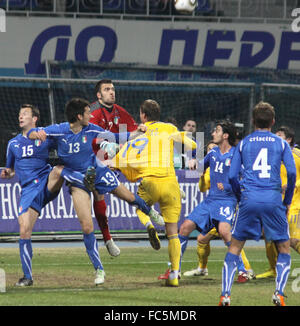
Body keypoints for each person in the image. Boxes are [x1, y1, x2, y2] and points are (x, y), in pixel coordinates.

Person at [28, 98, 164, 285]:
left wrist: (136, 133)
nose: (90, 115)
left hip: (98, 172)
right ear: (78, 116)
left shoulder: (92, 129)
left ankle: (151, 212)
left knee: (130, 197)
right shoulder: (59, 131)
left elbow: (117, 137)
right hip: (78, 180)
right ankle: (99, 269)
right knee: (87, 227)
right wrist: (37, 134)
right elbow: (31, 133)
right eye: (87, 112)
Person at [111, 99, 197, 287]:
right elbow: (192, 145)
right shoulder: (169, 128)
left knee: (140, 208)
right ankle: (174, 274)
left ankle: (149, 224)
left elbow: (124, 154)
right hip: (170, 183)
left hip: (149, 181)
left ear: (143, 115)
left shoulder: (139, 132)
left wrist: (112, 163)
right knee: (173, 233)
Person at [220, 102, 296, 306]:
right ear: (273, 121)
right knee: (284, 247)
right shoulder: (281, 144)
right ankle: (279, 293)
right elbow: (291, 173)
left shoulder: (244, 143)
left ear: (253, 121)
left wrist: (239, 196)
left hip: (249, 198)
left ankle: (225, 295)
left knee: (235, 246)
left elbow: (233, 176)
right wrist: (286, 201)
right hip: (272, 199)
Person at [160, 121, 250, 283]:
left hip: (227, 201)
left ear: (225, 135)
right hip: (210, 201)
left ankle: (243, 271)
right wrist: (194, 163)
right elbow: (201, 167)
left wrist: (229, 186)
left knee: (224, 231)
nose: (212, 134)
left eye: (216, 131)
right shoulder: (213, 153)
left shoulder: (237, 155)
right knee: (185, 227)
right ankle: (174, 270)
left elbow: (248, 179)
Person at [0, 104, 64, 286]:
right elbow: (10, 170)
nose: (21, 117)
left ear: (34, 118)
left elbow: (63, 145)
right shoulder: (13, 144)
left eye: (25, 114)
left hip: (45, 182)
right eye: (20, 114)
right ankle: (27, 277)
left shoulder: (44, 136)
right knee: (24, 230)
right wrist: (7, 174)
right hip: (28, 191)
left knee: (59, 170)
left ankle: (82, 179)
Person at [87, 79, 138, 257]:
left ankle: (150, 215)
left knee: (143, 165)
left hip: (110, 160)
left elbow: (133, 131)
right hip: (90, 160)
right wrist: (111, 148)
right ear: (99, 95)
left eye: (113, 89)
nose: (112, 92)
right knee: (98, 195)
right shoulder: (91, 112)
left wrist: (142, 131)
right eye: (107, 89)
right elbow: (89, 139)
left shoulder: (120, 111)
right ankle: (107, 239)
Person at [256, 125, 300, 279]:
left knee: (293, 240)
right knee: (268, 237)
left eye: (279, 135)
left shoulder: (296, 154)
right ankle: (273, 269)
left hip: (295, 204)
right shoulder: (272, 154)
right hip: (275, 203)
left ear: (288, 139)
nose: (274, 138)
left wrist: (294, 185)